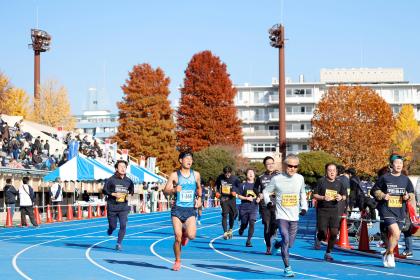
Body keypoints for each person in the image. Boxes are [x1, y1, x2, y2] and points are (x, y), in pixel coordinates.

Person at [263, 154, 307, 277]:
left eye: (295, 166)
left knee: (290, 244)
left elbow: (303, 193)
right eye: (290, 166)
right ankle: (287, 268)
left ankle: (277, 244)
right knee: (286, 239)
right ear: (284, 166)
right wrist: (269, 202)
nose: (292, 168)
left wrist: (304, 207)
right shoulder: (277, 179)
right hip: (281, 215)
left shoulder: (300, 178)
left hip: (294, 216)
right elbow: (266, 192)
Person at [371, 154, 415, 268]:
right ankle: (390, 254)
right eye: (397, 163)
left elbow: (411, 192)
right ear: (392, 165)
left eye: (401, 163)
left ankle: (388, 252)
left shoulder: (405, 179)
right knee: (395, 232)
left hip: (400, 210)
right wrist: (383, 195)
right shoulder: (385, 178)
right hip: (387, 209)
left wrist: (407, 197)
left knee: (396, 235)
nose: (399, 165)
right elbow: (374, 190)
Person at [163, 151, 202, 271]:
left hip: (190, 209)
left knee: (191, 235)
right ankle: (177, 261)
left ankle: (186, 234)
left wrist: (200, 199)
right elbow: (165, 191)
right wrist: (174, 190)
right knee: (177, 237)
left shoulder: (196, 175)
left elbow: (199, 188)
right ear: (181, 160)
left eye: (191, 159)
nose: (189, 161)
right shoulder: (174, 175)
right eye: (186, 159)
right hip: (177, 209)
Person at [313, 162, 347, 262]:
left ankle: (328, 252)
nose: (332, 172)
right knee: (323, 233)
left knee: (334, 233)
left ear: (336, 172)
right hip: (322, 210)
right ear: (326, 171)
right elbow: (314, 195)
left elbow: (344, 195)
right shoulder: (321, 181)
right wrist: (323, 197)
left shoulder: (340, 183)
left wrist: (341, 197)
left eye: (334, 170)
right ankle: (319, 236)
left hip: (334, 210)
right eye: (329, 170)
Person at [103, 159, 134, 251]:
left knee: (123, 225)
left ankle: (118, 243)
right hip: (112, 206)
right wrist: (113, 194)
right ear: (116, 168)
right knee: (113, 226)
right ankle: (110, 229)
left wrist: (129, 196)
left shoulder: (129, 181)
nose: (122, 168)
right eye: (120, 167)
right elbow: (104, 190)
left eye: (124, 167)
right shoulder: (111, 180)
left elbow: (131, 191)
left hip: (123, 207)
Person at [254, 156, 280, 255]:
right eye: (268, 164)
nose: (270, 165)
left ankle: (274, 239)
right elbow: (255, 188)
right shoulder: (260, 177)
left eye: (272, 163)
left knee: (275, 225)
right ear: (265, 165)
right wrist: (259, 194)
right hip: (265, 205)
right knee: (267, 225)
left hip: (277, 204)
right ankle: (268, 247)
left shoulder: (279, 176)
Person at [215, 166, 240, 240]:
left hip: (232, 199)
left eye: (228, 173)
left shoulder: (235, 178)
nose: (227, 175)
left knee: (233, 215)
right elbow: (216, 186)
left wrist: (235, 192)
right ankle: (225, 232)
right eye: (226, 173)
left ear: (231, 172)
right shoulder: (220, 177)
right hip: (223, 198)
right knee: (224, 214)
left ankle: (230, 229)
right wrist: (216, 192)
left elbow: (240, 187)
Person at [237, 168, 260, 247]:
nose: (250, 174)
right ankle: (242, 229)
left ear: (254, 175)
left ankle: (248, 241)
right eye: (249, 173)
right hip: (244, 207)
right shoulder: (243, 185)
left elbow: (261, 194)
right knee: (244, 224)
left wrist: (259, 199)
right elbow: (239, 196)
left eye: (252, 173)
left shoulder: (257, 185)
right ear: (246, 175)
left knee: (252, 223)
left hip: (253, 207)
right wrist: (246, 198)